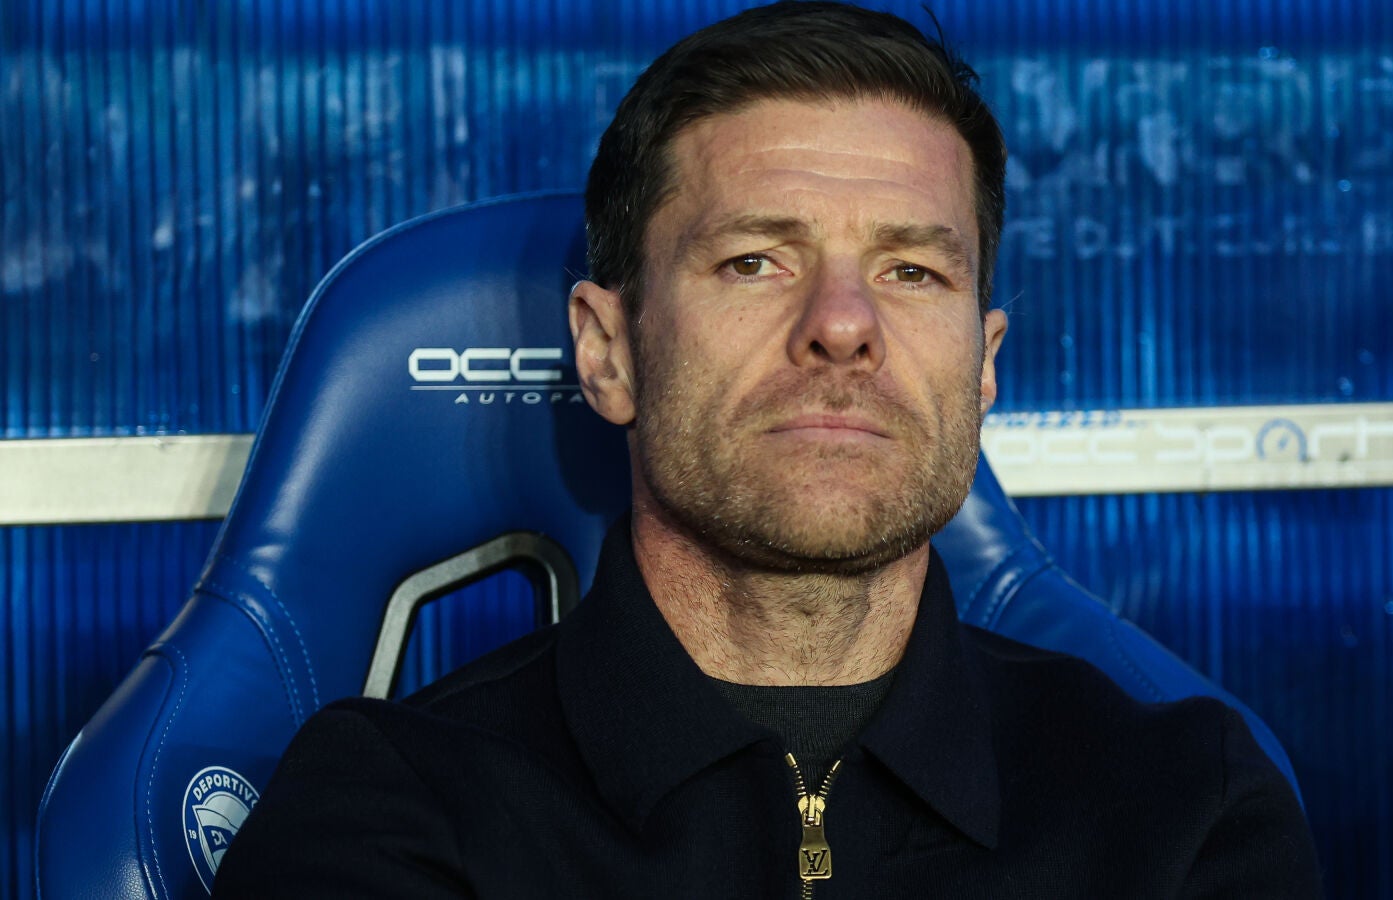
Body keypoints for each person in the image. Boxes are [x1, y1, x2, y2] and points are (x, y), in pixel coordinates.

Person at [214, 3, 1321, 896]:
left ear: (982, 366)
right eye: (755, 261)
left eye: (912, 271)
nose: (842, 324)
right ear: (607, 352)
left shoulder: (1185, 808)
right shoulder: (390, 812)